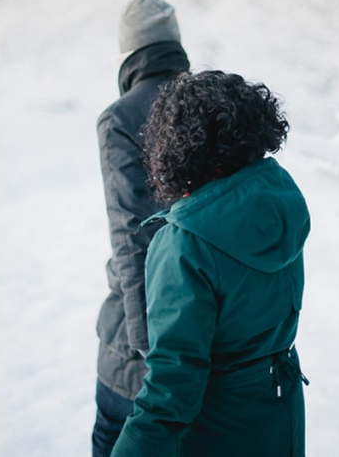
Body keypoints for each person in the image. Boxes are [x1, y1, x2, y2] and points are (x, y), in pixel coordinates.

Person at [111, 70, 311, 456]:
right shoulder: (279, 194)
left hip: (218, 431)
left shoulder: (185, 241)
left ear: (177, 145)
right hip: (279, 411)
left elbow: (173, 384)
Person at [93, 0, 190, 456]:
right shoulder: (209, 99)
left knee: (114, 438)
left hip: (139, 337)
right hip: (205, 317)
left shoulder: (122, 116)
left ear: (128, 54)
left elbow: (133, 230)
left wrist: (144, 345)